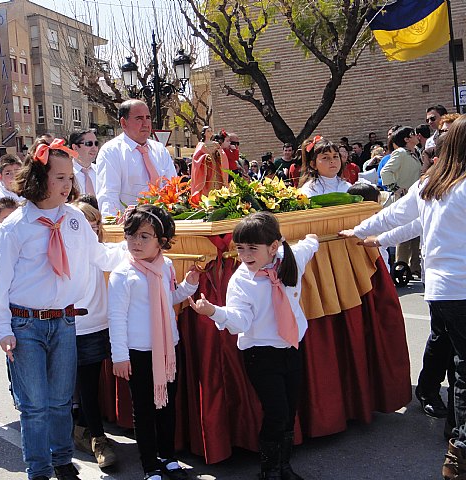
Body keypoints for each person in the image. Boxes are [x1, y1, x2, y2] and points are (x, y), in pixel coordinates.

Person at [338, 115, 466, 479]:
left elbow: (406, 218)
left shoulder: (432, 183)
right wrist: (366, 232)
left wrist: (370, 234)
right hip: (458, 288)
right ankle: (460, 451)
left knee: (459, 363)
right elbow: (404, 217)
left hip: (441, 290)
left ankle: (454, 435)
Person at [0, 138, 124, 480]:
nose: (67, 185)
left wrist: (137, 252)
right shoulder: (15, 226)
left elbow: (100, 256)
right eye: (59, 177)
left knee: (61, 401)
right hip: (26, 326)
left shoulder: (75, 220)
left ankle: (63, 462)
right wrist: (3, 330)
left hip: (65, 322)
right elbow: (0, 284)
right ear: (40, 177)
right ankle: (39, 469)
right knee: (34, 406)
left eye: (70, 178)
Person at [189, 212, 318, 480]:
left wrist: (312, 239)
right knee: (276, 412)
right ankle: (269, 470)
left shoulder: (289, 260)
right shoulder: (241, 280)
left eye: (252, 248)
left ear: (273, 247)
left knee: (290, 409)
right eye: (240, 248)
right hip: (261, 354)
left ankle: (284, 466)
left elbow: (307, 247)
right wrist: (214, 311)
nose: (245, 254)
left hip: (292, 348)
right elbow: (240, 321)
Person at [108, 204, 199, 480]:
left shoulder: (166, 266)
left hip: (167, 349)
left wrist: (189, 286)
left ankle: (168, 457)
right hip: (138, 352)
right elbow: (116, 317)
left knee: (167, 406)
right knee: (145, 411)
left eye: (144, 237)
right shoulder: (123, 274)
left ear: (161, 241)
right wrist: (119, 356)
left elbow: (167, 299)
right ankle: (150, 466)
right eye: (131, 235)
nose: (136, 242)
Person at [70, 200, 120, 469]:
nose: (92, 232)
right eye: (85, 227)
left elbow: (115, 251)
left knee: (92, 384)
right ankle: (95, 437)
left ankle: (82, 428)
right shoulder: (73, 252)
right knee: (87, 385)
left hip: (103, 325)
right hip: (82, 327)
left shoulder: (98, 249)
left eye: (95, 226)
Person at [96, 99, 176, 217]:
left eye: (148, 117)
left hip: (163, 223)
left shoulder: (160, 150)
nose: (145, 123)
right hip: (130, 226)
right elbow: (108, 195)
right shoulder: (111, 151)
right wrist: (112, 227)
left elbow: (173, 186)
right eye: (139, 118)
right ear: (123, 123)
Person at [381, 126, 422, 276]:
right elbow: (385, 171)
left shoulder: (414, 153)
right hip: (404, 198)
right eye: (412, 134)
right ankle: (401, 266)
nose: (416, 136)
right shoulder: (400, 153)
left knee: (415, 232)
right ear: (406, 139)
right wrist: (395, 187)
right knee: (404, 233)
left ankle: (414, 266)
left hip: (415, 196)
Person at [190, 132, 228, 199]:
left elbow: (221, 153)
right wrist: (205, 157)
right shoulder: (201, 145)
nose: (210, 132)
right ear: (204, 133)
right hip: (206, 169)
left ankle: (219, 199)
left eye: (211, 131)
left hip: (216, 168)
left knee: (218, 184)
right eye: (208, 131)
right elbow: (196, 157)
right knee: (208, 186)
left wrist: (218, 154)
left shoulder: (215, 144)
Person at [69, 129, 100, 196]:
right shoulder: (66, 173)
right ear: (75, 147)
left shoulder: (101, 171)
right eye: (89, 144)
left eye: (96, 143)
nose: (94, 148)